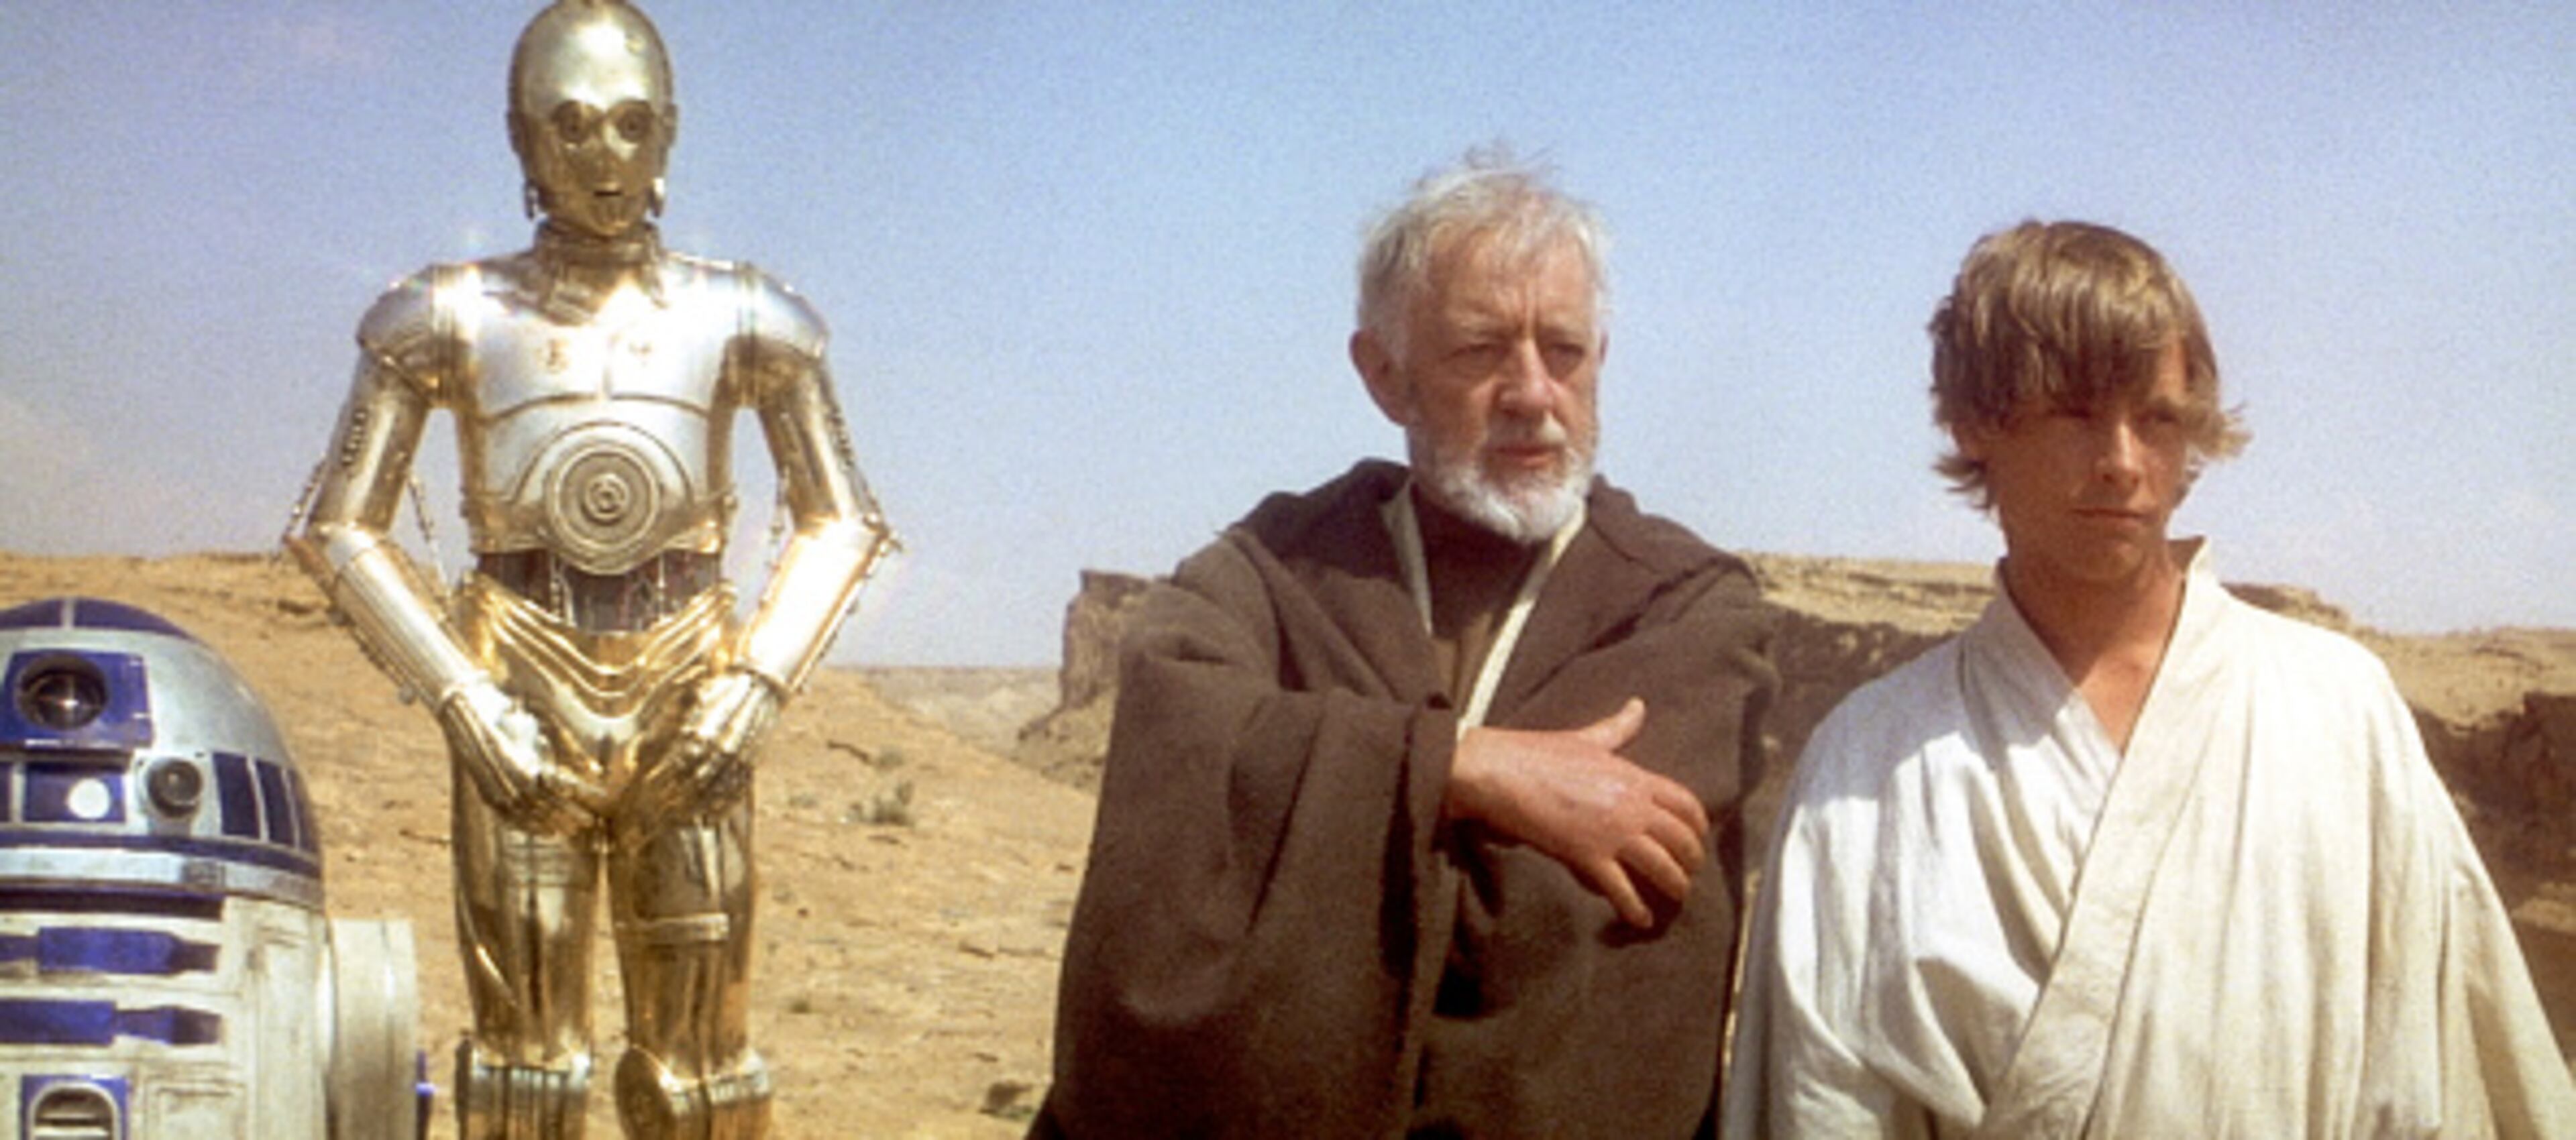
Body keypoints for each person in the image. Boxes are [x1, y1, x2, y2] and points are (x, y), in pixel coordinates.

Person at [1724, 220, 2576, 1137]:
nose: (2124, 462)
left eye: (2158, 418)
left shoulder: (2340, 713)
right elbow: (1822, 1101)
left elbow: (2451, 1075)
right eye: (2076, 412)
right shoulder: (1868, 763)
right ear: (1976, 424)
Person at [1032, 150, 1776, 1139]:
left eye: (1564, 351)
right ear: (1384, 375)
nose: (1531, 391)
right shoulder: (1269, 573)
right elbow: (1172, 786)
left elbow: (1560, 934)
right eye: (1479, 349)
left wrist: (1324, 829)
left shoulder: (1687, 610)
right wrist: (1465, 771)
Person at [284, 3, 893, 1136]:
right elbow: (336, 528)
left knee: (705, 1072)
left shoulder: (750, 316)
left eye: (628, 126)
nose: (602, 157)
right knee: (526, 1072)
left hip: (691, 691)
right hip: (518, 684)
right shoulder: (445, 317)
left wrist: (754, 685)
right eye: (569, 127)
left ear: (668, 134)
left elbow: (843, 520)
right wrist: (465, 703)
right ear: (521, 140)